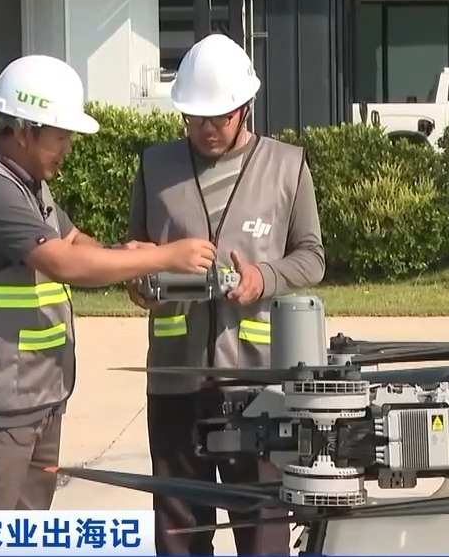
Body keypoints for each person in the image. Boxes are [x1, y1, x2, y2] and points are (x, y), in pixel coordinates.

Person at [0, 54, 219, 511]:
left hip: (36, 394)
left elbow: (72, 239)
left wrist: (128, 257)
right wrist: (168, 255)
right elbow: (64, 263)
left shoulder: (28, 182)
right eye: (61, 136)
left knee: (27, 532)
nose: (68, 148)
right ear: (24, 131)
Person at [125, 33, 327, 555]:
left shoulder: (287, 166)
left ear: (245, 108)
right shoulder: (155, 167)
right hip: (175, 377)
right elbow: (135, 254)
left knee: (262, 526)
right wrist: (141, 286)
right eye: (195, 118)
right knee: (179, 527)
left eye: (219, 117)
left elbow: (312, 256)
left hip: (256, 381)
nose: (207, 129)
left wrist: (264, 277)